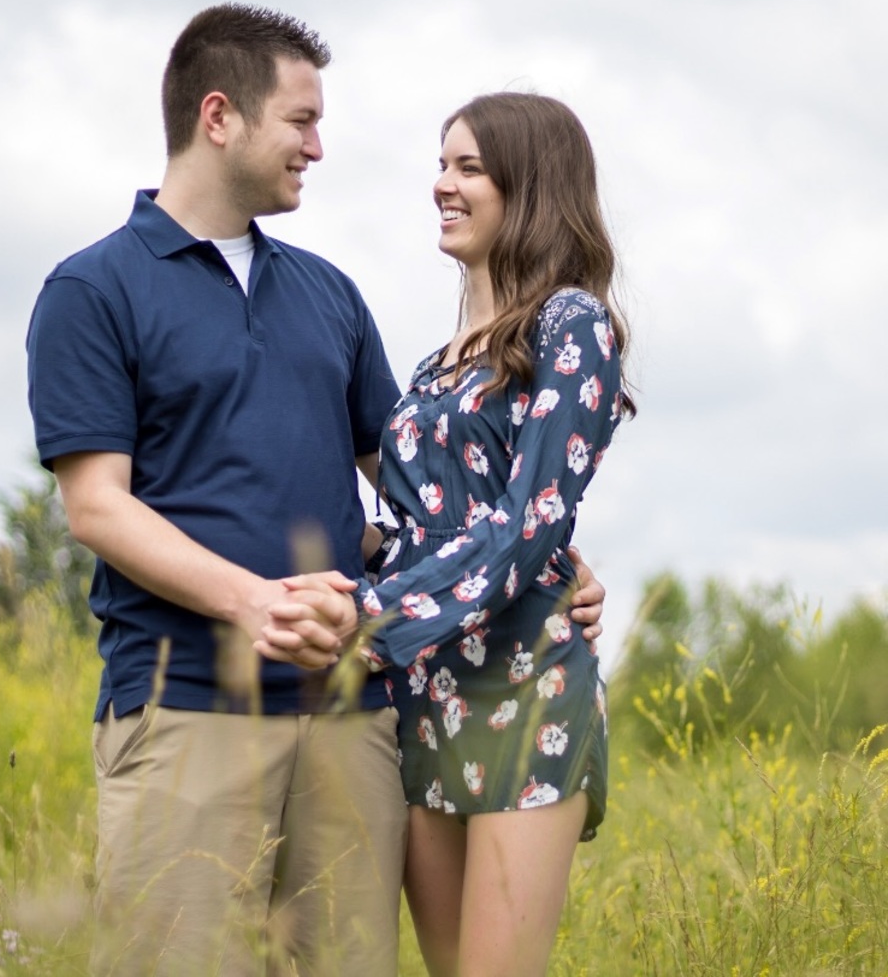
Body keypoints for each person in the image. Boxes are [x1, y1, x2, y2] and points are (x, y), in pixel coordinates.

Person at [25, 5, 607, 977]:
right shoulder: (96, 288)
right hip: (189, 706)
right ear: (221, 116)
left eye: (465, 165)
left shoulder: (328, 295)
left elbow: (432, 495)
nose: (319, 146)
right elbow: (95, 507)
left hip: (358, 715)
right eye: (301, 121)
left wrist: (552, 563)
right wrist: (262, 601)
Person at [259, 92, 635, 977]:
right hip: (427, 697)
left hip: (525, 688)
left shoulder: (570, 324)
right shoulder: (436, 365)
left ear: (530, 185)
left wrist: (368, 618)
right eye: (441, 164)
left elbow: (527, 525)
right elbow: (419, 530)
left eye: (468, 167)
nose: (442, 185)